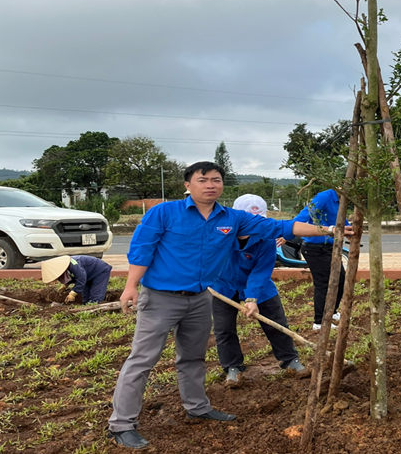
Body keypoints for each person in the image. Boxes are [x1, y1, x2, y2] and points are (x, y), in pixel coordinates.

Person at [107, 161, 350, 450]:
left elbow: (283, 226)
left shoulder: (233, 218)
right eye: (203, 180)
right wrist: (131, 286)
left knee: (193, 357)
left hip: (200, 298)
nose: (210, 185)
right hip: (161, 297)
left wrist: (328, 228)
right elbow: (142, 248)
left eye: (216, 180)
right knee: (142, 359)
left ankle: (197, 407)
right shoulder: (164, 212)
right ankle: (121, 424)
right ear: (188, 185)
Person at [211, 194, 305, 388]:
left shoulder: (267, 237)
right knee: (224, 329)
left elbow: (261, 270)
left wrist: (251, 297)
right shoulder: (220, 234)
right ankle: (232, 368)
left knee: (277, 324)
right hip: (223, 286)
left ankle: (290, 361)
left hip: (260, 287)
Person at [293, 189, 348, 331]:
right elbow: (305, 213)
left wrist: (350, 231)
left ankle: (332, 312)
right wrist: (288, 231)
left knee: (340, 279)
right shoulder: (324, 197)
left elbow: (340, 220)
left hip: (330, 247)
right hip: (314, 248)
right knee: (323, 283)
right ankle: (319, 322)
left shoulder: (342, 199)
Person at [41, 255, 113, 304]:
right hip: (88, 274)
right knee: (86, 299)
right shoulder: (65, 267)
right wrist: (65, 285)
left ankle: (96, 314)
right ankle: (87, 310)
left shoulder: (73, 265)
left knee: (95, 298)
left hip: (100, 271)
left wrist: (73, 293)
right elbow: (70, 276)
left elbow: (81, 279)